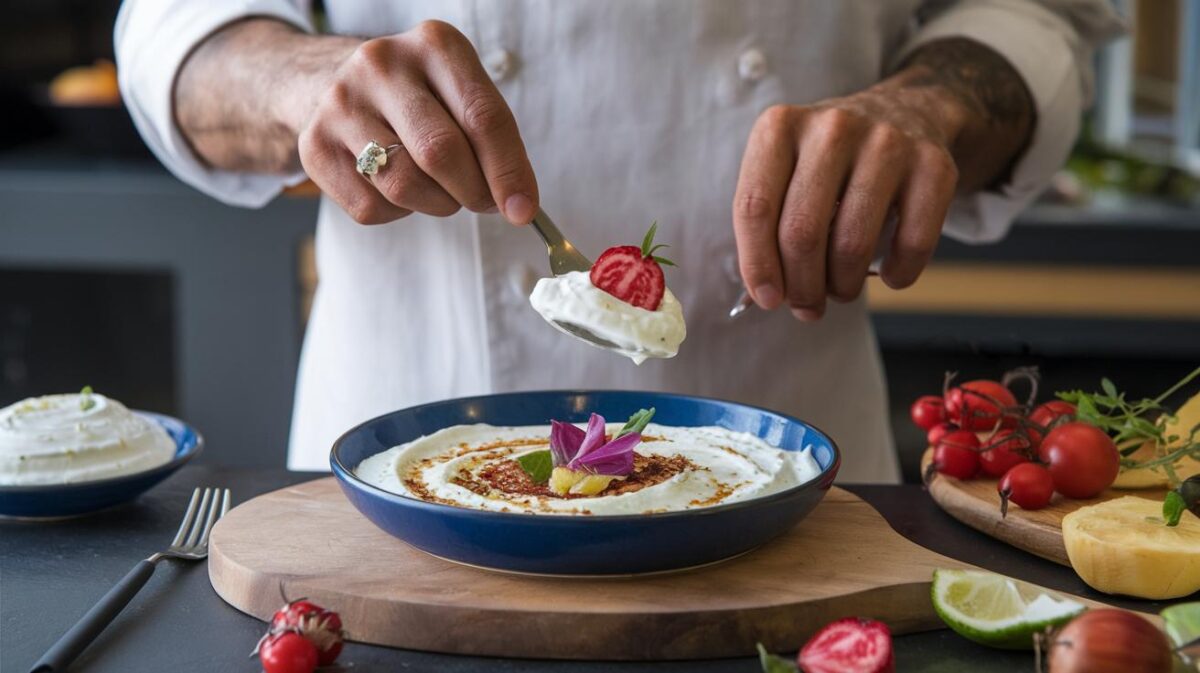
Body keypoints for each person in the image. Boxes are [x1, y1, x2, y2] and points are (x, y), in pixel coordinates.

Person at [115, 1, 1121, 480]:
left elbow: (1052, 13)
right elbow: (170, 29)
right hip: (399, 445)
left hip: (795, 447)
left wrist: (932, 101)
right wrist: (301, 82)